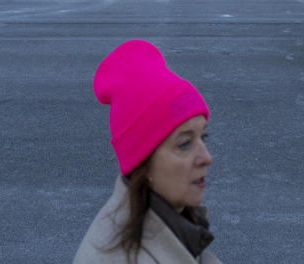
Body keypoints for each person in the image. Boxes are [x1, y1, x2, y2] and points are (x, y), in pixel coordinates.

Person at [74, 39, 220, 263]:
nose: (206, 158)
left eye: (203, 137)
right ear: (143, 162)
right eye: (184, 144)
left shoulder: (174, 224)